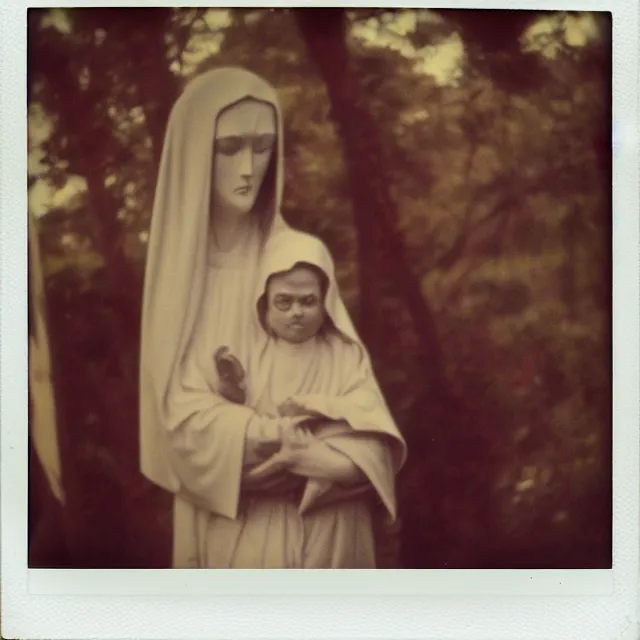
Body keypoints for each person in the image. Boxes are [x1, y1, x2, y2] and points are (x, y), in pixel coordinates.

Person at [139, 67, 406, 568]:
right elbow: (173, 419)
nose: (248, 167)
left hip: (326, 524)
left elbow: (354, 386)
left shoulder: (294, 262)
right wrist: (262, 436)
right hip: (234, 525)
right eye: (229, 147)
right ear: (196, 150)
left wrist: (339, 464)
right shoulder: (181, 279)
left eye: (262, 146)